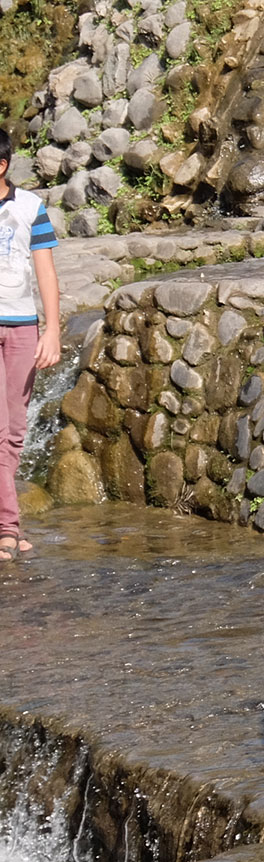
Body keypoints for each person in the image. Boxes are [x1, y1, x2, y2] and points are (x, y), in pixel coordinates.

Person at [0, 130, 60, 563]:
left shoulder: (30, 207)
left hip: (22, 328)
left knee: (16, 433)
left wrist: (52, 329)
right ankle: (7, 527)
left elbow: (46, 271)